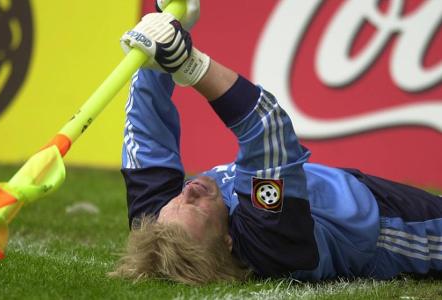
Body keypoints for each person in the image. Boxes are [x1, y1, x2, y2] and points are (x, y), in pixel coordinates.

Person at [110, 3, 442, 285]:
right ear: (227, 242)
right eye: (195, 206)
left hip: (338, 189)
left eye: (177, 200)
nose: (189, 190)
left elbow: (145, 131)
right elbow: (266, 126)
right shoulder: (266, 241)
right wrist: (189, 64)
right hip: (392, 224)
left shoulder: (160, 226)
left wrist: (161, 28)